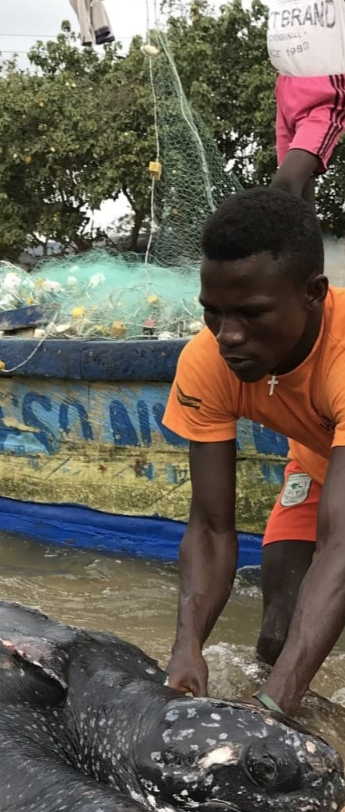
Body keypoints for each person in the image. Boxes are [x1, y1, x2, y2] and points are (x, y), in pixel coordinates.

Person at [162, 185, 345, 719]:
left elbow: (340, 546)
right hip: (317, 467)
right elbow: (212, 527)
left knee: (285, 682)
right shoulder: (207, 362)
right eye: (213, 312)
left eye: (252, 313)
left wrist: (270, 709)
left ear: (313, 293)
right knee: (278, 640)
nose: (229, 336)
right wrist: (186, 647)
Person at [267, 0, 345, 203]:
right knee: (300, 194)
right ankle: (309, 236)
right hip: (286, 86)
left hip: (325, 92)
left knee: (284, 188)